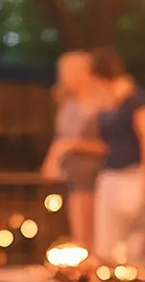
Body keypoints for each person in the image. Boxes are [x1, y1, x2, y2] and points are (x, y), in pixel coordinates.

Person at [87, 48, 145, 265]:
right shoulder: (105, 102)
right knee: (105, 239)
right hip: (109, 173)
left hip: (132, 173)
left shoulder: (137, 100)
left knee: (132, 238)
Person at [38, 50, 106, 257]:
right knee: (78, 236)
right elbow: (60, 138)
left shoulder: (102, 103)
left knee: (96, 236)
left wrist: (72, 145)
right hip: (71, 176)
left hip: (96, 175)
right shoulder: (65, 102)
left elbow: (109, 145)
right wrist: (52, 161)